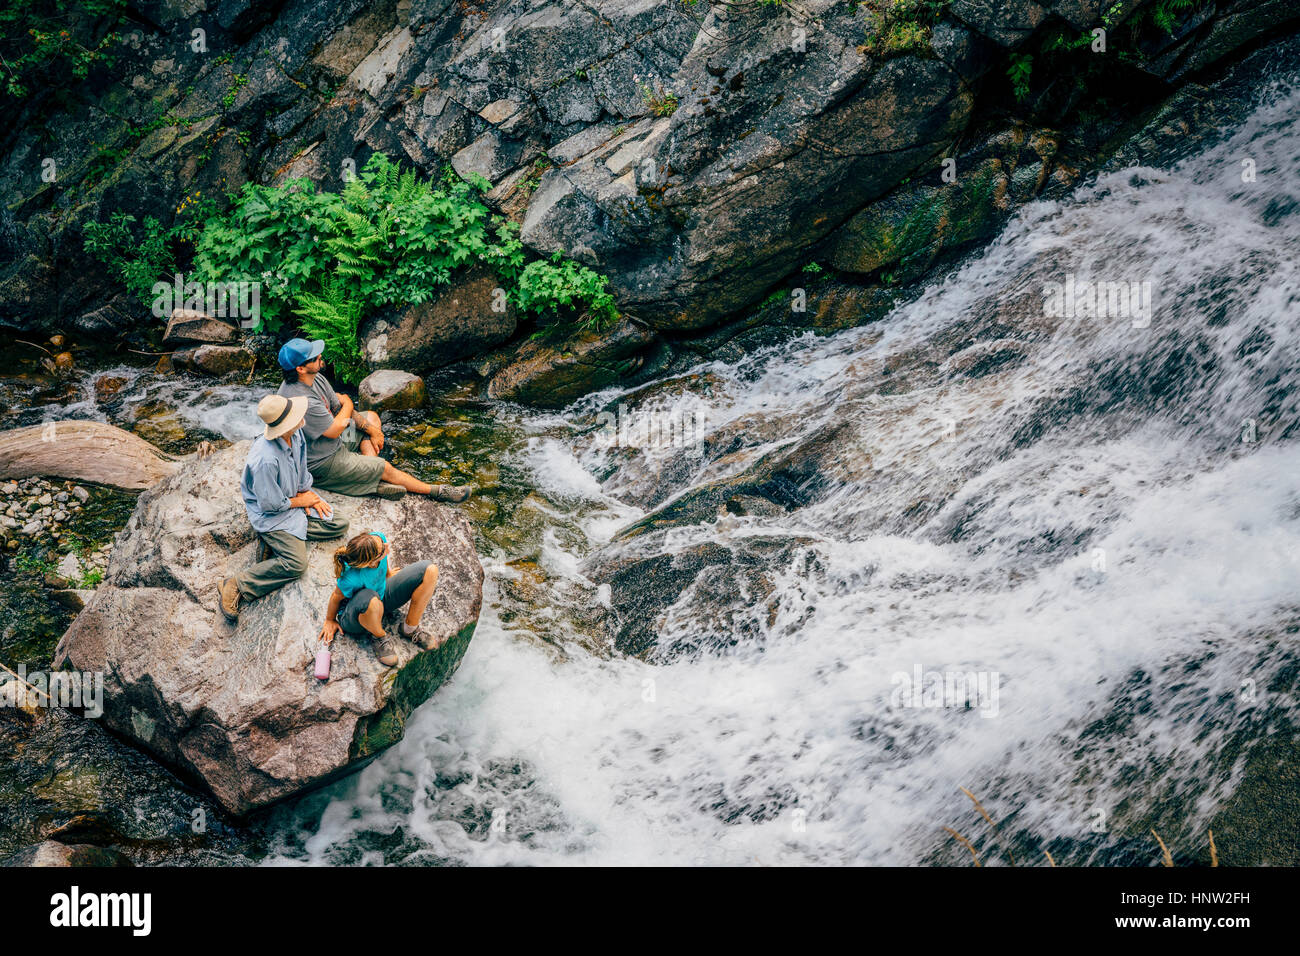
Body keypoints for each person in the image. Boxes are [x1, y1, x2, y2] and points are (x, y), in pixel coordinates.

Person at [276, 338, 470, 502]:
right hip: (322, 462)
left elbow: (337, 407)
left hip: (333, 441)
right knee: (385, 466)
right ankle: (437, 491)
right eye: (313, 356)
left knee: (372, 418)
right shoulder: (299, 398)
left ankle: (373, 477)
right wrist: (349, 403)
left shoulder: (315, 377)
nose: (320, 356)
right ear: (300, 368)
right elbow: (335, 426)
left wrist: (372, 431)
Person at [220, 393, 349, 621]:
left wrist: (307, 494)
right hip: (272, 514)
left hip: (293, 501)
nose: (302, 417)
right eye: (295, 415)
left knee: (339, 523)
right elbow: (270, 505)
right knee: (296, 564)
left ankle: (276, 543)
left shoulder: (296, 434)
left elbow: (301, 473)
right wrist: (302, 502)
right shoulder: (265, 460)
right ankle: (238, 584)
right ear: (284, 425)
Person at [318, 530, 442, 666]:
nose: (387, 546)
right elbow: (336, 597)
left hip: (380, 599)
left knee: (430, 570)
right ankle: (379, 637)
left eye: (382, 544)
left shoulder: (378, 539)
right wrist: (329, 620)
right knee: (370, 598)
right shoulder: (350, 578)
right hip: (356, 617)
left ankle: (409, 629)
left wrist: (388, 574)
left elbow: (383, 561)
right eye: (382, 550)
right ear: (370, 563)